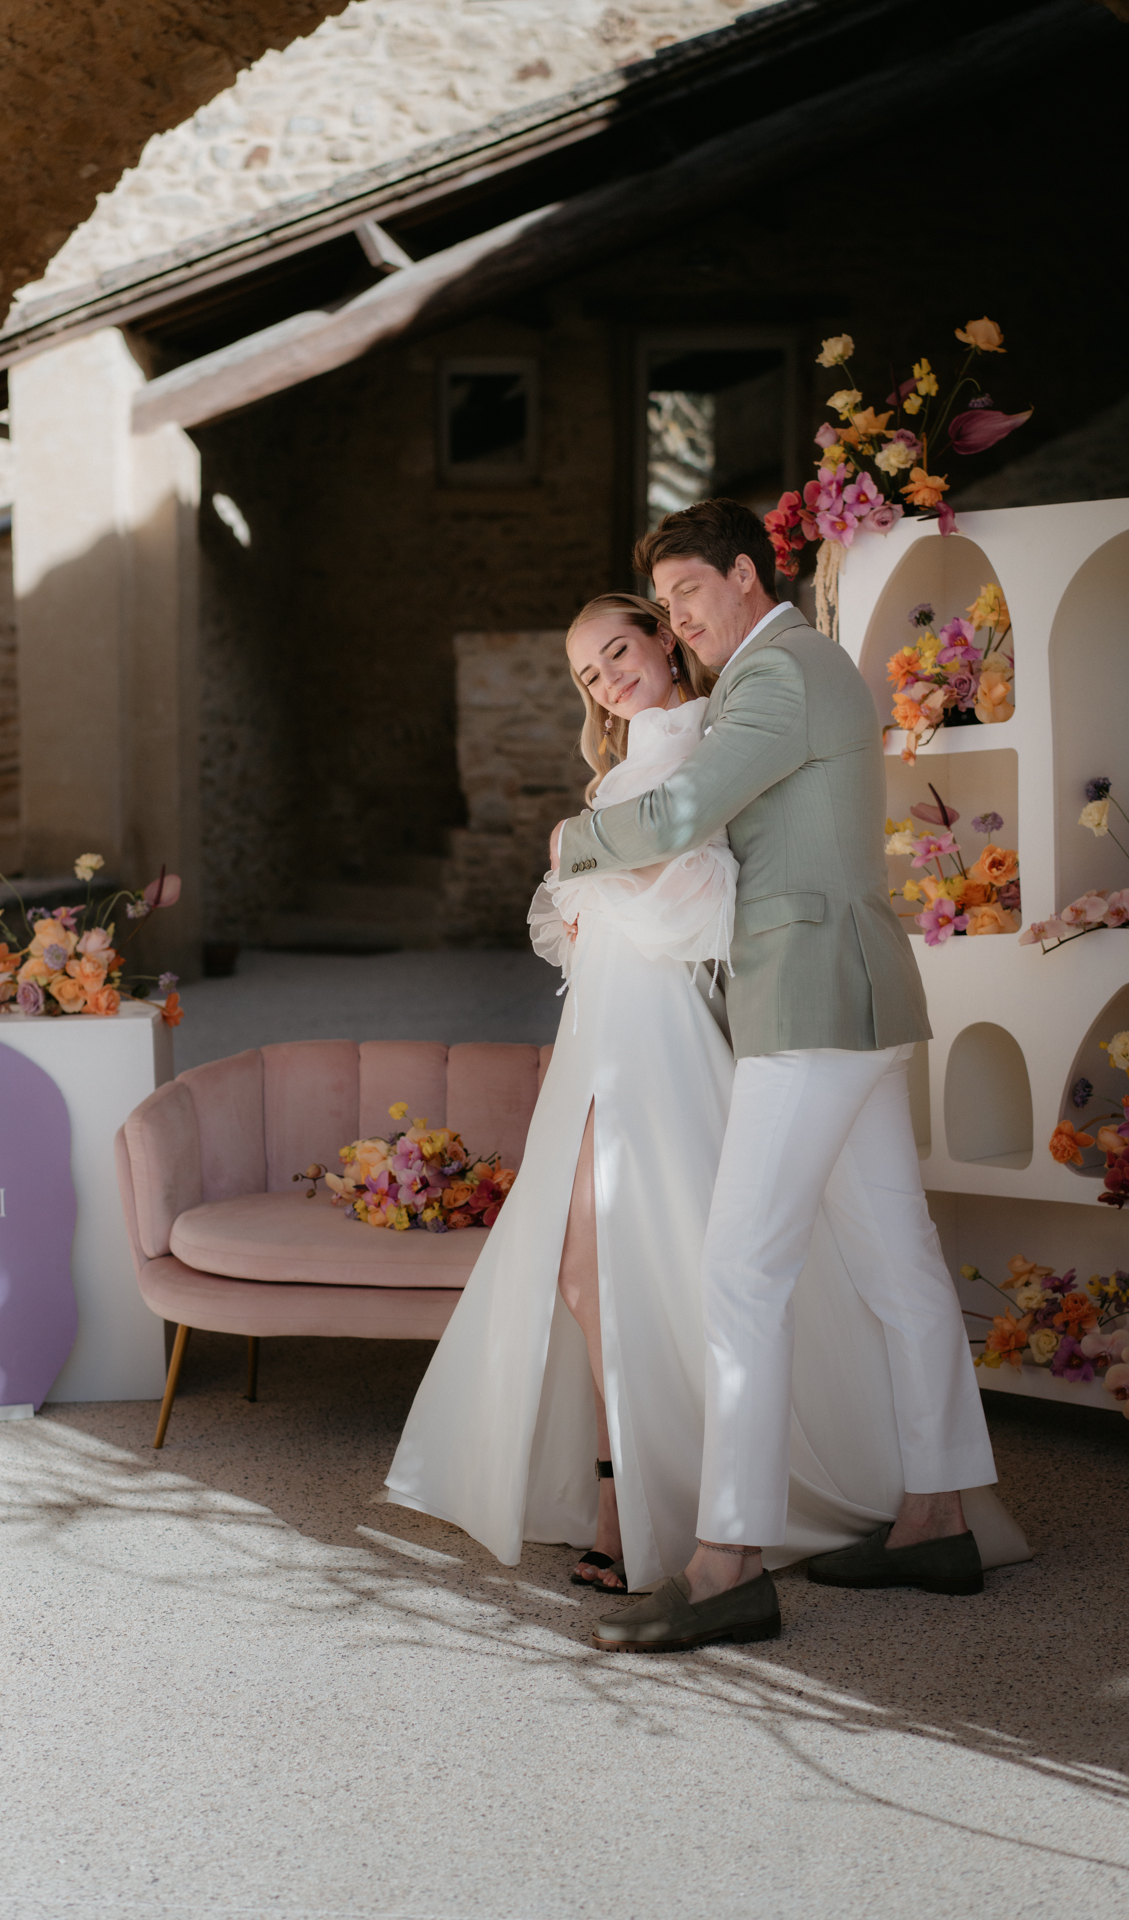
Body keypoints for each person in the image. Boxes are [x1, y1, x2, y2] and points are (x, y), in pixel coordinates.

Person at [385, 584, 1024, 1632]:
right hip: (676, 1016)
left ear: (674, 635)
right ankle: (887, 1512)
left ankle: (707, 1545)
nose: (610, 675)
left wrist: (579, 851)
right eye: (586, 673)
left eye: (625, 645)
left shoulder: (727, 716)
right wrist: (592, 872)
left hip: (707, 1022)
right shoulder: (690, 729)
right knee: (634, 1262)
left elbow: (693, 879)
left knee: (716, 1267)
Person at [550, 499, 1004, 1654]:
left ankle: (725, 1564)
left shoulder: (777, 674)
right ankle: (935, 1518)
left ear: (746, 575)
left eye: (688, 594)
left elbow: (691, 811)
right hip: (846, 996)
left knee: (739, 1270)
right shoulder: (791, 668)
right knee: (896, 1266)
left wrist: (574, 844)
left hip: (807, 1001)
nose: (679, 619)